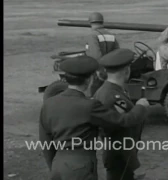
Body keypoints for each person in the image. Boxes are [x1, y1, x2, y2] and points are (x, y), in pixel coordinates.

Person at [39, 55, 149, 180]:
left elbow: (45, 142)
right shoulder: (89, 106)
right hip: (81, 167)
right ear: (89, 80)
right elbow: (123, 121)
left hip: (58, 165)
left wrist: (54, 165)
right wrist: (140, 106)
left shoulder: (49, 104)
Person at [94, 49, 149, 180]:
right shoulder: (111, 95)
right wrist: (135, 165)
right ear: (126, 71)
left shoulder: (114, 90)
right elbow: (120, 135)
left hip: (121, 155)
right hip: (120, 157)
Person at [85, 12, 120, 95]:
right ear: (102, 22)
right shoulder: (111, 35)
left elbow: (95, 55)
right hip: (110, 70)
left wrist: (99, 70)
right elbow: (117, 53)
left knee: (93, 92)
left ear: (90, 22)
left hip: (97, 71)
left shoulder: (92, 36)